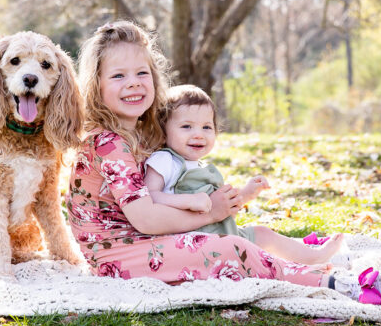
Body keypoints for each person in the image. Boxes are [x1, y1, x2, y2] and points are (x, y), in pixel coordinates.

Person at [65, 20, 381, 305]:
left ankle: (304, 261)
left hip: (140, 239)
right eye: (118, 76)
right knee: (228, 249)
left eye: (141, 73)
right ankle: (347, 286)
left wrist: (217, 208)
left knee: (242, 237)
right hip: (116, 253)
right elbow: (147, 217)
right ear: (96, 85)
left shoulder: (137, 131)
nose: (133, 84)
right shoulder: (108, 142)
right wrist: (212, 213)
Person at [145, 84, 346, 267]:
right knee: (250, 255)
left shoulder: (202, 167)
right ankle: (288, 269)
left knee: (262, 234)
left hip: (221, 232)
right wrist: (189, 200)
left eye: (207, 127)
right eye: (186, 126)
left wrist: (247, 194)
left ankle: (312, 258)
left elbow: (224, 205)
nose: (199, 134)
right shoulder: (165, 160)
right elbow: (149, 196)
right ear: (163, 131)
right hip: (194, 241)